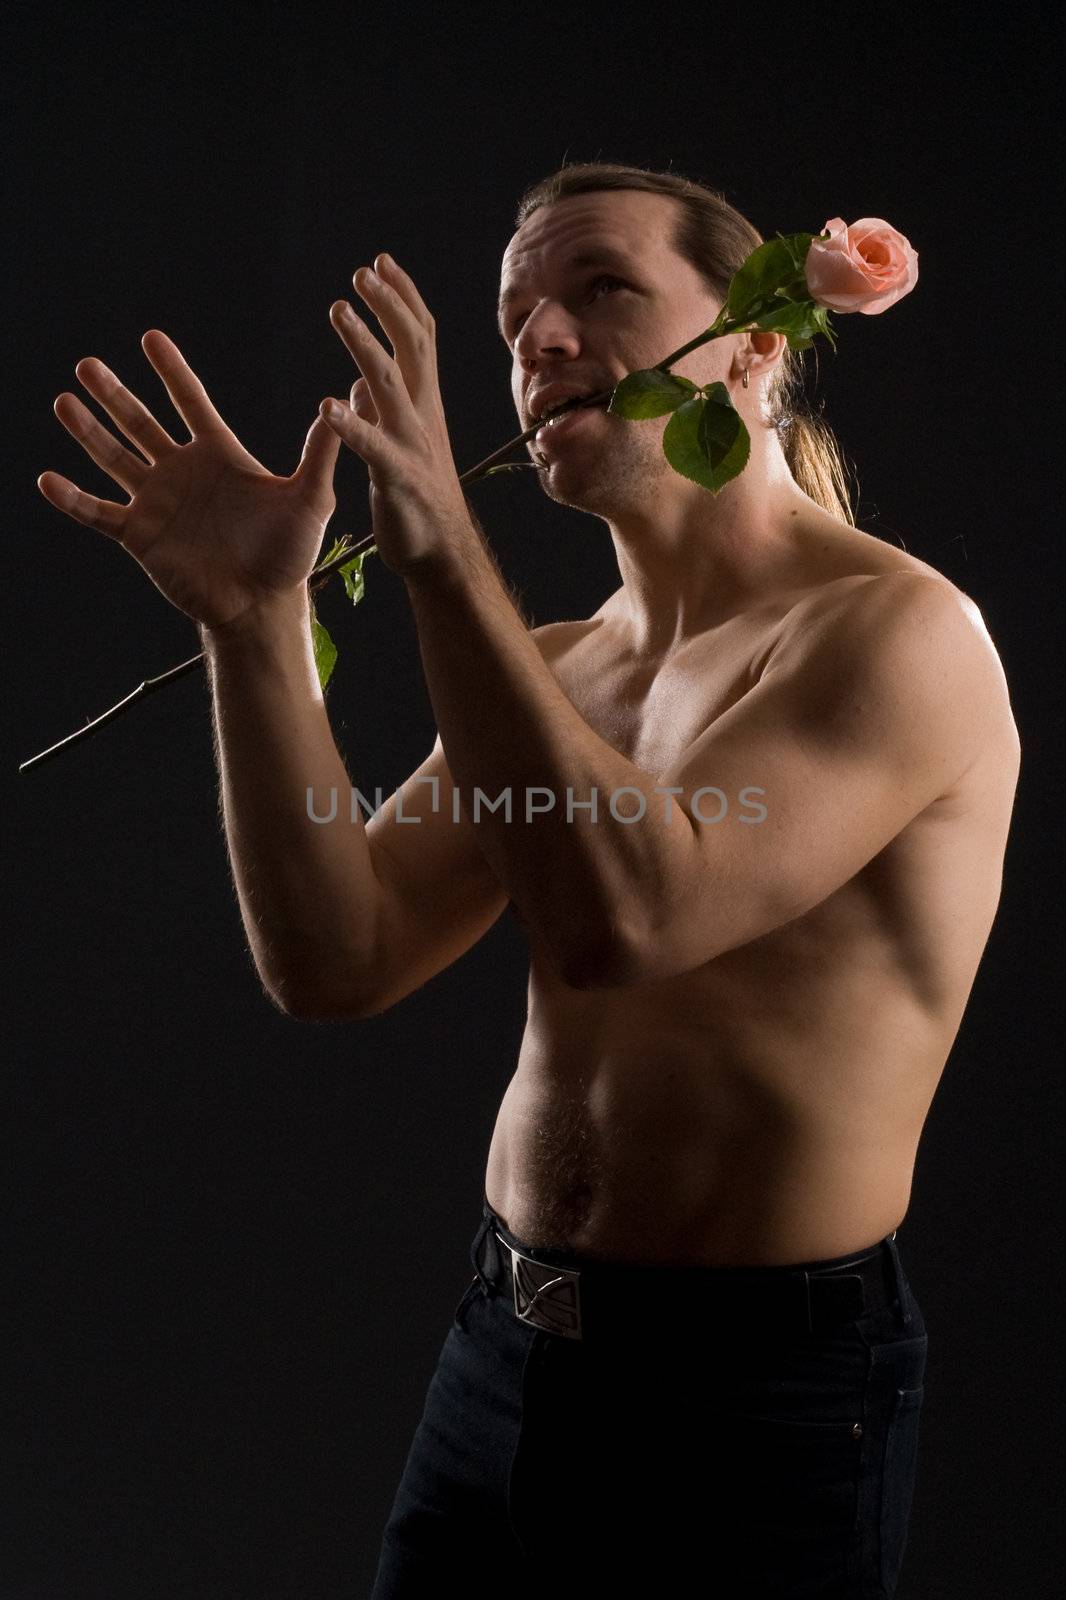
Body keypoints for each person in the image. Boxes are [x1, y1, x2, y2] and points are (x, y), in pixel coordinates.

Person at [38, 161, 1020, 1596]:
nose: (538, 343)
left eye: (599, 290)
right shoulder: (564, 666)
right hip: (502, 1356)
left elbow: (632, 916)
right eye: (512, 324)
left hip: (750, 1407)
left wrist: (438, 549)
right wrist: (252, 627)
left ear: (757, 338)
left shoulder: (893, 635)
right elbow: (336, 956)